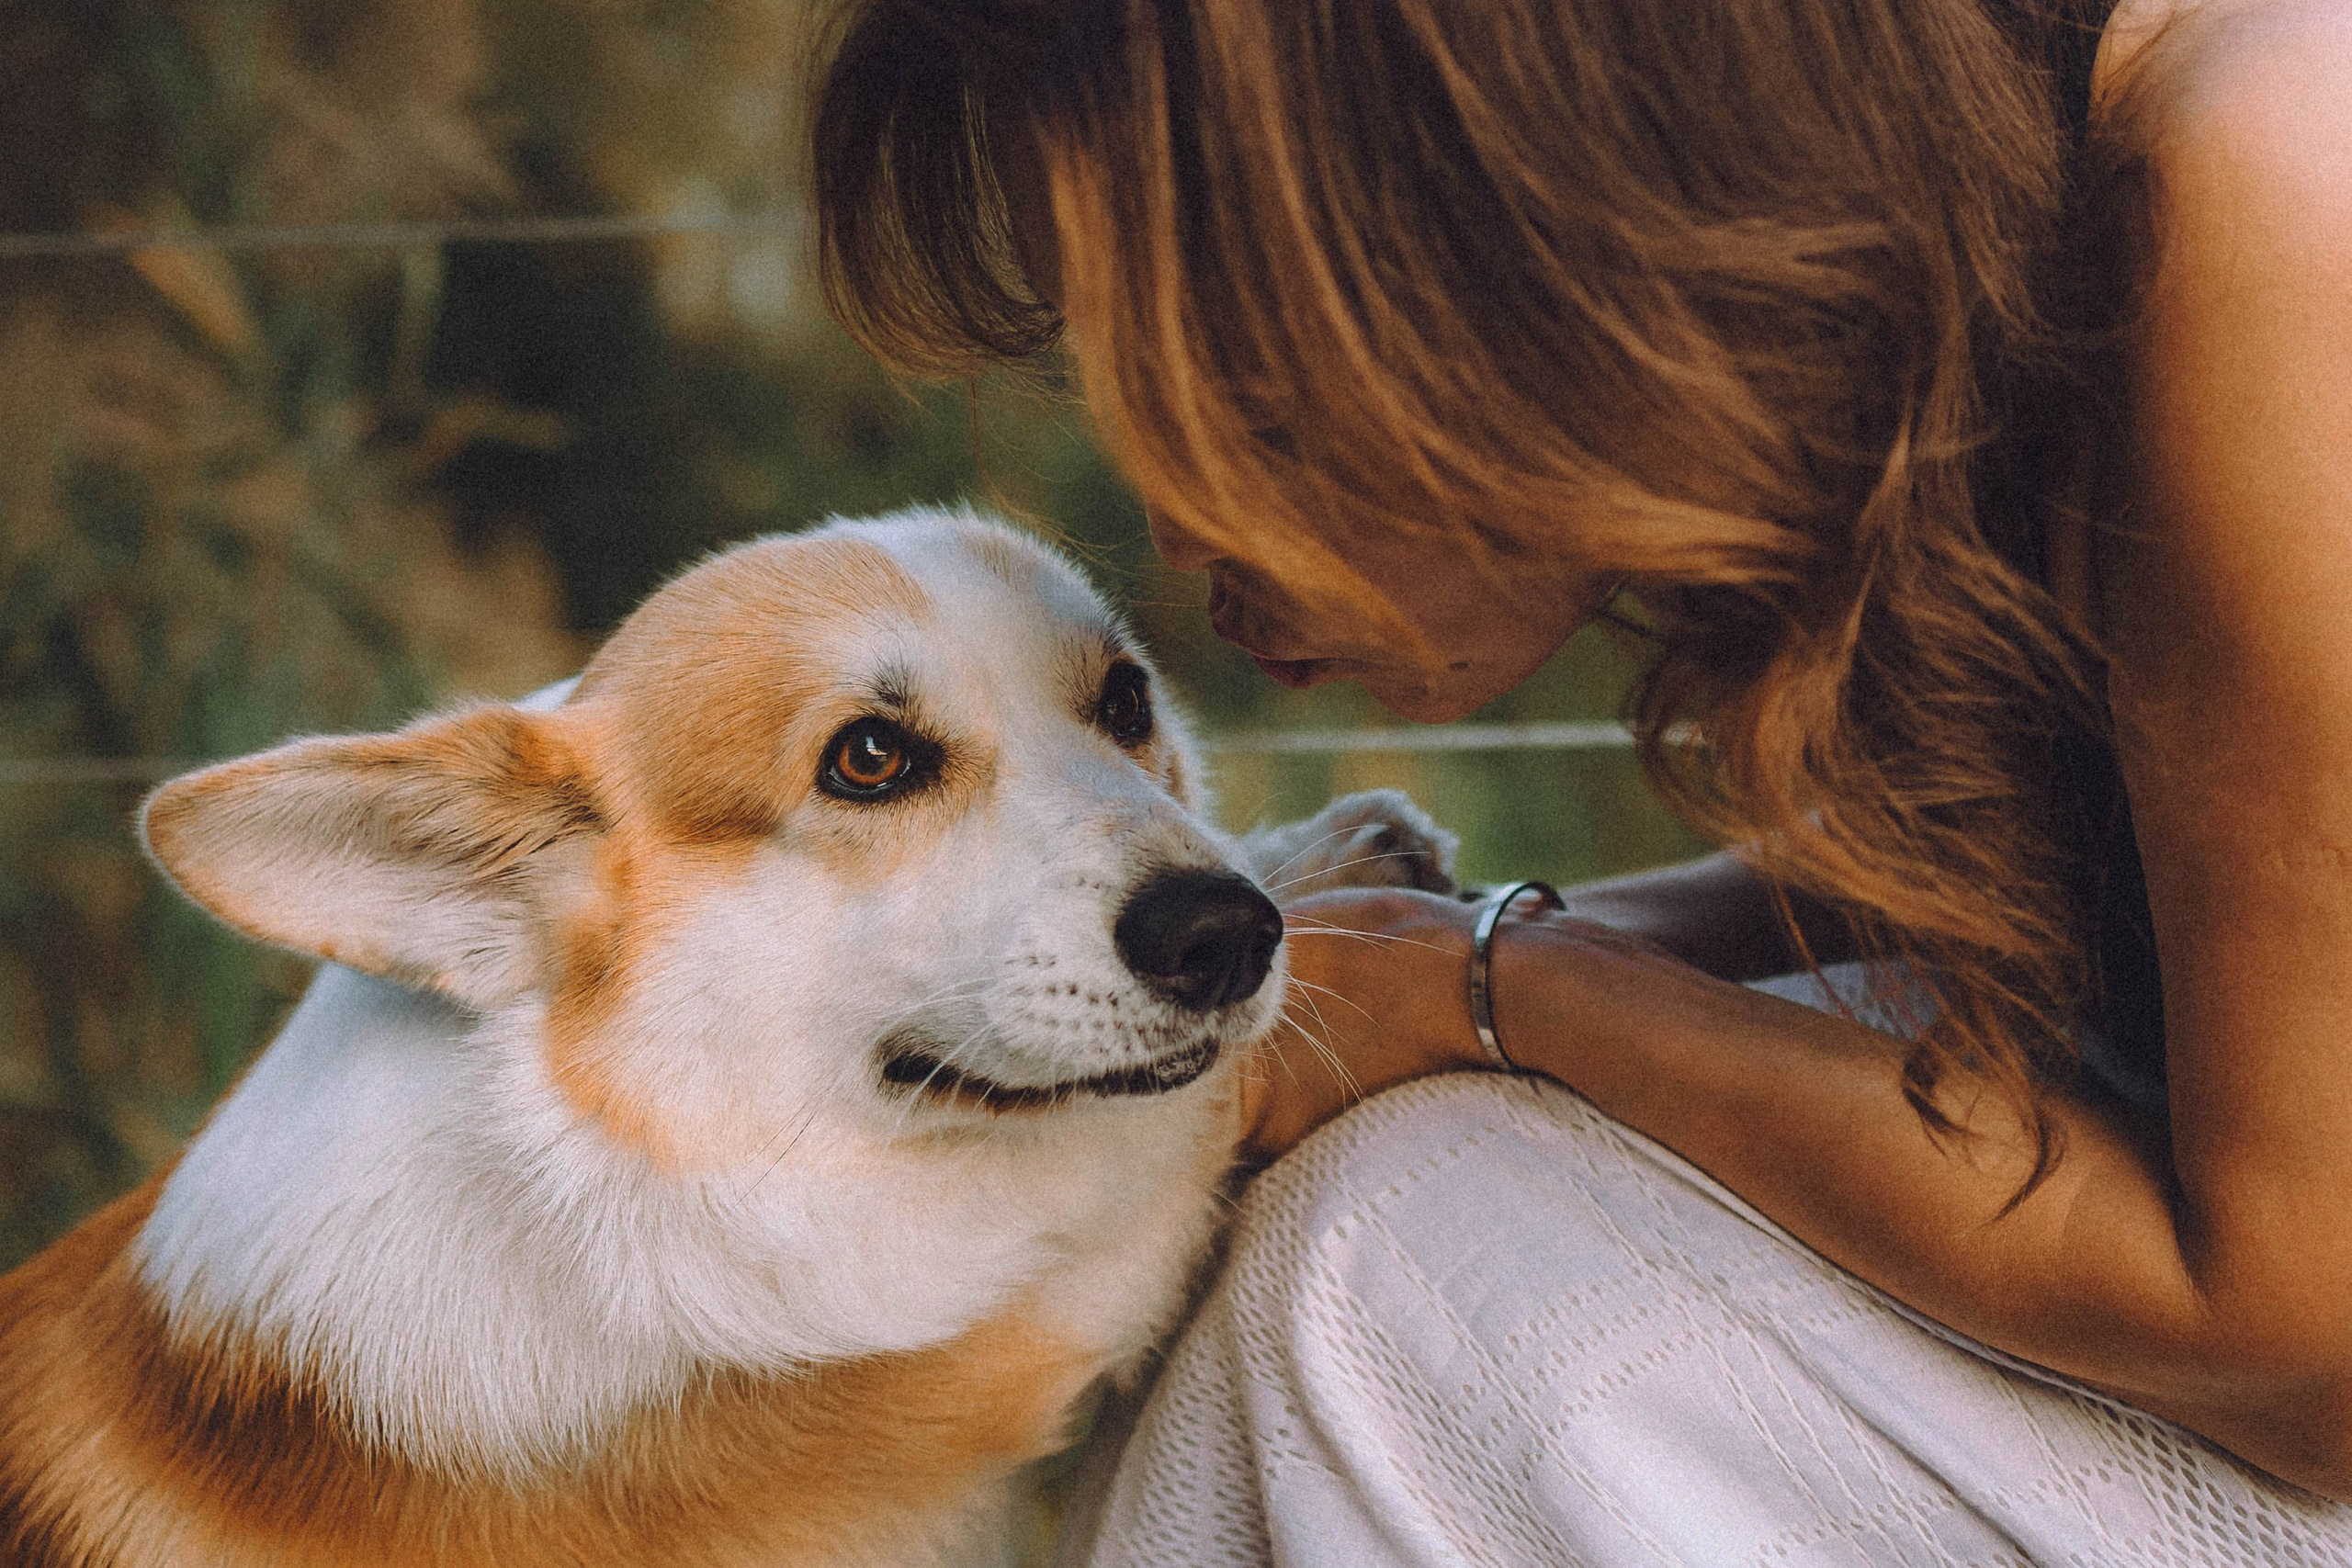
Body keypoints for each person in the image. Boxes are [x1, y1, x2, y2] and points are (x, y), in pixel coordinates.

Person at [813, 0, 2352, 1560]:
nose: (1183, 533)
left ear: (1507, 228)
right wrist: (1464, 969)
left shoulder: (2286, 172)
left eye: (1234, 390)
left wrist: (1509, 987)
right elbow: (2170, 869)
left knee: (1400, 1270)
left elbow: (2311, 1350)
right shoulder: (2036, 202)